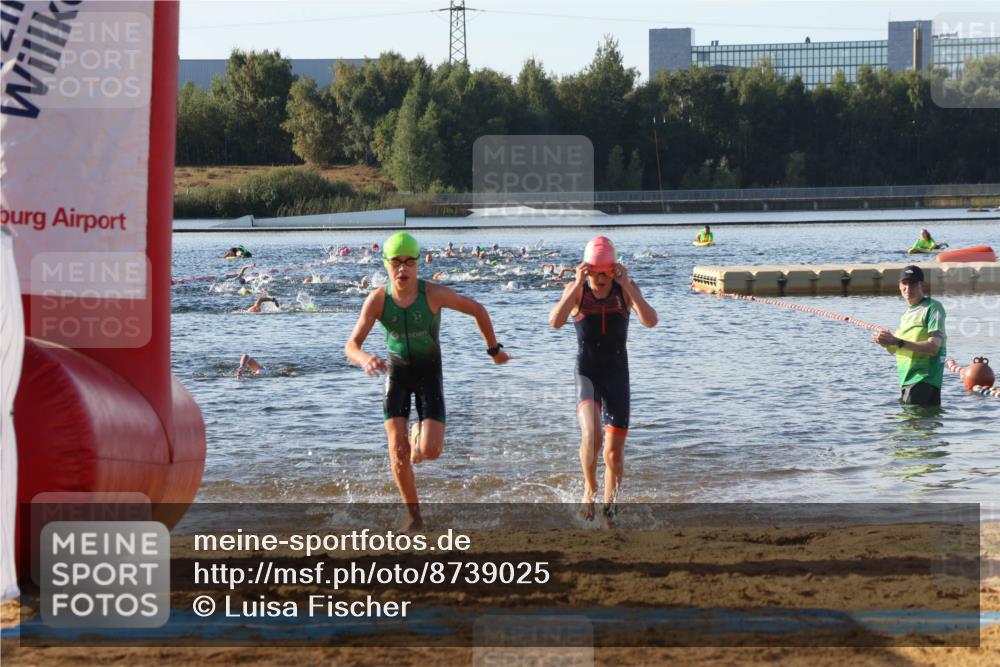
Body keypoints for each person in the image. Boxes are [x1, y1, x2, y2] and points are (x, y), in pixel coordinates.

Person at [345, 232, 512, 530]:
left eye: (409, 262)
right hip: (397, 376)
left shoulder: (432, 295)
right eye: (396, 262)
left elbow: (477, 309)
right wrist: (365, 358)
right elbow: (351, 346)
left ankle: (417, 438)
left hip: (429, 376)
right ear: (386, 264)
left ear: (418, 265)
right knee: (397, 451)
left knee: (430, 452)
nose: (402, 269)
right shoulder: (378, 300)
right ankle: (414, 516)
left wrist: (494, 349)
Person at [548, 236, 658, 523]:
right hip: (588, 373)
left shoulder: (625, 292)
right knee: (592, 434)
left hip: (617, 376)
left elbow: (651, 320)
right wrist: (573, 284)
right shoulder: (577, 292)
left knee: (613, 453)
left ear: (613, 269)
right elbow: (554, 322)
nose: (599, 278)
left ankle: (609, 510)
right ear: (587, 269)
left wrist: (628, 285)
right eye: (594, 271)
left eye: (605, 272)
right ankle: (589, 488)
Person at [873, 265, 947, 407]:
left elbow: (933, 348)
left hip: (924, 380)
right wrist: (886, 342)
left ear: (922, 285)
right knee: (911, 427)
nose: (908, 288)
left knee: (912, 426)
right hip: (907, 380)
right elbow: (897, 348)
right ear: (899, 286)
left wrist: (897, 341)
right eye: (904, 283)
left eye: (912, 283)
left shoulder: (933, 307)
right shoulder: (906, 314)